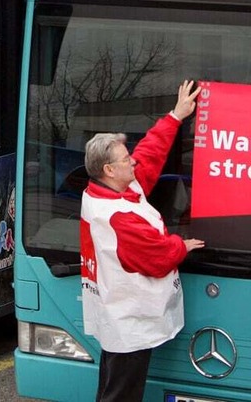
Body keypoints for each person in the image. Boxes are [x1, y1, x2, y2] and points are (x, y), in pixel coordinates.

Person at [80, 80, 206, 402]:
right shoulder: (118, 216)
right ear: (109, 169)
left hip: (119, 318)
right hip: (129, 322)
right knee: (122, 394)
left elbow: (148, 154)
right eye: (126, 160)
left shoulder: (112, 189)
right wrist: (181, 245)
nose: (133, 162)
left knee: (112, 387)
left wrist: (175, 117)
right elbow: (157, 257)